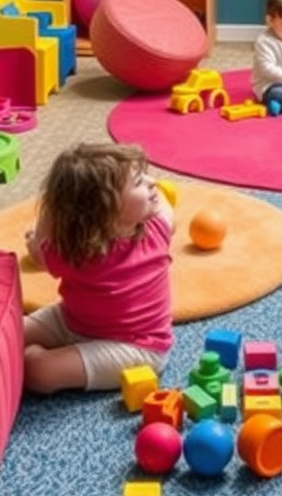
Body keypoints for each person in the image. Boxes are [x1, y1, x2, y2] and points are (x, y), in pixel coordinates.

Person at [22, 141, 174, 395]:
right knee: (10, 331)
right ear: (104, 209)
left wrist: (38, 236)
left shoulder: (158, 228)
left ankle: (37, 358)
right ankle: (51, 355)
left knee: (39, 371)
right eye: (138, 182)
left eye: (144, 175)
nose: (152, 182)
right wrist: (54, 207)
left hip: (137, 347)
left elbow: (39, 247)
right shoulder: (74, 251)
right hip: (73, 321)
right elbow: (41, 248)